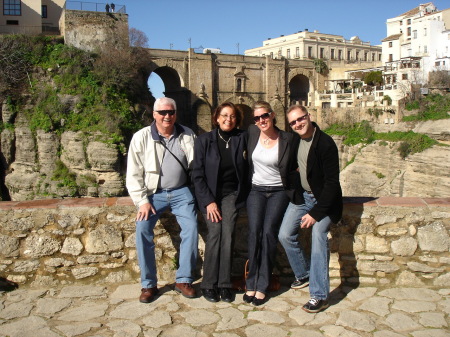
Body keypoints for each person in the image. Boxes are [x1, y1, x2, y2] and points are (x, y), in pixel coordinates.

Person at [126, 97, 198, 303]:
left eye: (171, 112)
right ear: (154, 114)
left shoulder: (187, 135)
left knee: (191, 227)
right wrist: (142, 201)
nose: (167, 116)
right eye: (163, 112)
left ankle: (184, 279)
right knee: (142, 230)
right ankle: (148, 284)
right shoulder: (141, 137)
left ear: (176, 113)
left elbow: (197, 166)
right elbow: (133, 173)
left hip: (181, 192)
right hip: (152, 194)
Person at [279, 105, 343, 313]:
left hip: (325, 202)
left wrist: (316, 214)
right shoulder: (296, 140)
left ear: (309, 116)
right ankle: (304, 274)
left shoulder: (325, 144)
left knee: (318, 235)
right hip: (303, 198)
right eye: (293, 122)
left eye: (300, 119)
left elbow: (332, 184)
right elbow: (291, 168)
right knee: (285, 234)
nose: (298, 124)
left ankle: (319, 295)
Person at [244, 101, 301, 306]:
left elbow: (301, 159)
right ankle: (250, 282)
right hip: (256, 190)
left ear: (273, 115)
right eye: (257, 118)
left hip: (278, 191)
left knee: (269, 233)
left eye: (265, 116)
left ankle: (263, 285)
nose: (261, 121)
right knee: (254, 233)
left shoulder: (288, 138)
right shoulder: (251, 133)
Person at [192, 102, 248, 303]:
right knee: (215, 233)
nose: (228, 119)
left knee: (229, 233)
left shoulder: (242, 138)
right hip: (210, 196)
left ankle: (224, 284)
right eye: (224, 115)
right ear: (216, 118)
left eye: (232, 116)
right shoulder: (204, 140)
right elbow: (197, 175)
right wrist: (208, 202)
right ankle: (208, 284)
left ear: (237, 119)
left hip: (231, 194)